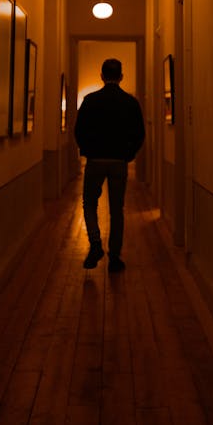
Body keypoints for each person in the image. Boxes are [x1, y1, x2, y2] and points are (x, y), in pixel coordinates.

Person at [74, 58, 145, 272]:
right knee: (117, 209)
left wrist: (87, 150)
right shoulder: (130, 103)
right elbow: (139, 133)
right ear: (121, 76)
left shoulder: (90, 100)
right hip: (119, 162)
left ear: (102, 76)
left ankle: (95, 243)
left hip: (95, 160)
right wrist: (128, 154)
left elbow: (79, 131)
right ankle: (115, 257)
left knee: (89, 203)